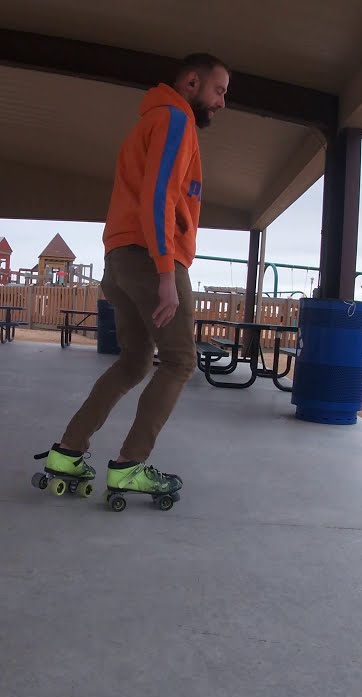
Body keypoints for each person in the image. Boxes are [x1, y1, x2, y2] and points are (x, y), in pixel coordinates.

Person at [40, 53, 229, 495]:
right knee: (181, 361)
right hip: (151, 257)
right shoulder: (175, 120)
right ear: (192, 82)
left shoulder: (148, 123)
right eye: (219, 91)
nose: (222, 102)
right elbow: (159, 195)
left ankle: (67, 451)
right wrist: (167, 274)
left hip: (121, 258)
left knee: (135, 360)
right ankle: (130, 464)